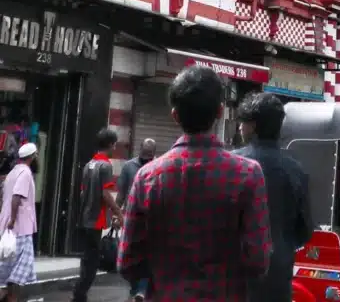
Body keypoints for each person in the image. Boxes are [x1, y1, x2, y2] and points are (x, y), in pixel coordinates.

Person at [118, 65, 272, 301]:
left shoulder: (147, 177)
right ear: (220, 111)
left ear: (175, 115)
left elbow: (127, 261)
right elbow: (258, 260)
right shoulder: (248, 175)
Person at [236, 92, 314, 302]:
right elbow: (306, 230)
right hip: (278, 281)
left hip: (237, 280)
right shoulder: (296, 170)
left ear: (252, 126)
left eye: (242, 123)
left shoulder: (232, 165)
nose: (240, 128)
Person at [72, 128, 123, 302]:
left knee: (87, 259)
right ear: (110, 144)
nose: (115, 146)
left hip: (85, 218)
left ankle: (80, 293)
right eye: (114, 143)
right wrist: (118, 212)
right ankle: (79, 295)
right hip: (96, 219)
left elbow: (82, 192)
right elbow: (106, 194)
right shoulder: (106, 165)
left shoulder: (89, 164)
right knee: (93, 262)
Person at [117, 139, 156, 302]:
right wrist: (116, 213)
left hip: (151, 221)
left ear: (153, 153)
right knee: (131, 255)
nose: (147, 158)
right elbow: (121, 193)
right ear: (139, 150)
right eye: (144, 154)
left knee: (147, 256)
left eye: (149, 155)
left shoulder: (158, 167)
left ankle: (140, 290)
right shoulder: (128, 167)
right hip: (131, 219)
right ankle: (136, 289)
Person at [0, 142, 39, 302]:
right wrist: (13, 219)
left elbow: (4, 198)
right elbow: (17, 197)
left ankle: (10, 298)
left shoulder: (12, 173)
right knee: (17, 272)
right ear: (32, 157)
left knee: (7, 270)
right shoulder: (25, 173)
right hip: (19, 229)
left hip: (8, 227)